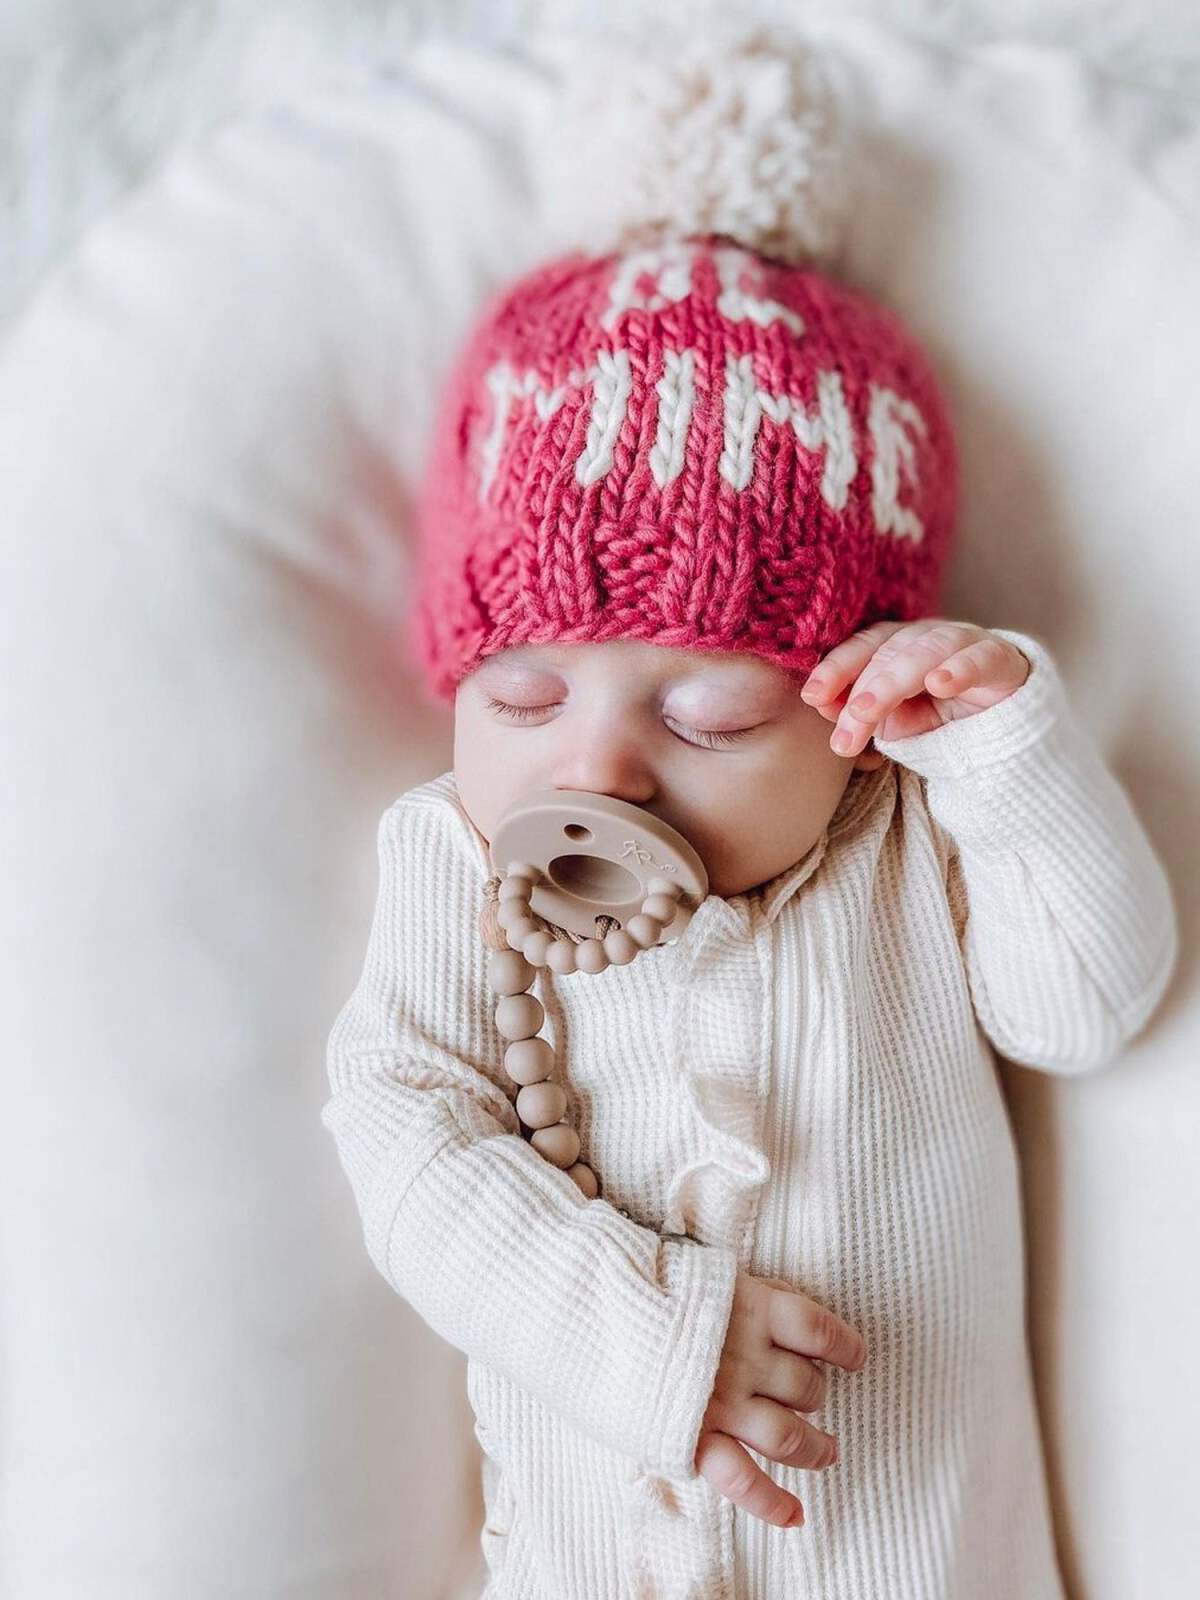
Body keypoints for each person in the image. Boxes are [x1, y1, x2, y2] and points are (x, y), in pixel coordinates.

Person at [321, 27, 1177, 1599]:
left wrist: (1005, 754)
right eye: (521, 698)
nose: (599, 773)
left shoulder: (908, 835)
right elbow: (405, 1137)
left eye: (712, 711)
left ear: (851, 715)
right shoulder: (452, 859)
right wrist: (639, 1330)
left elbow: (1091, 1007)